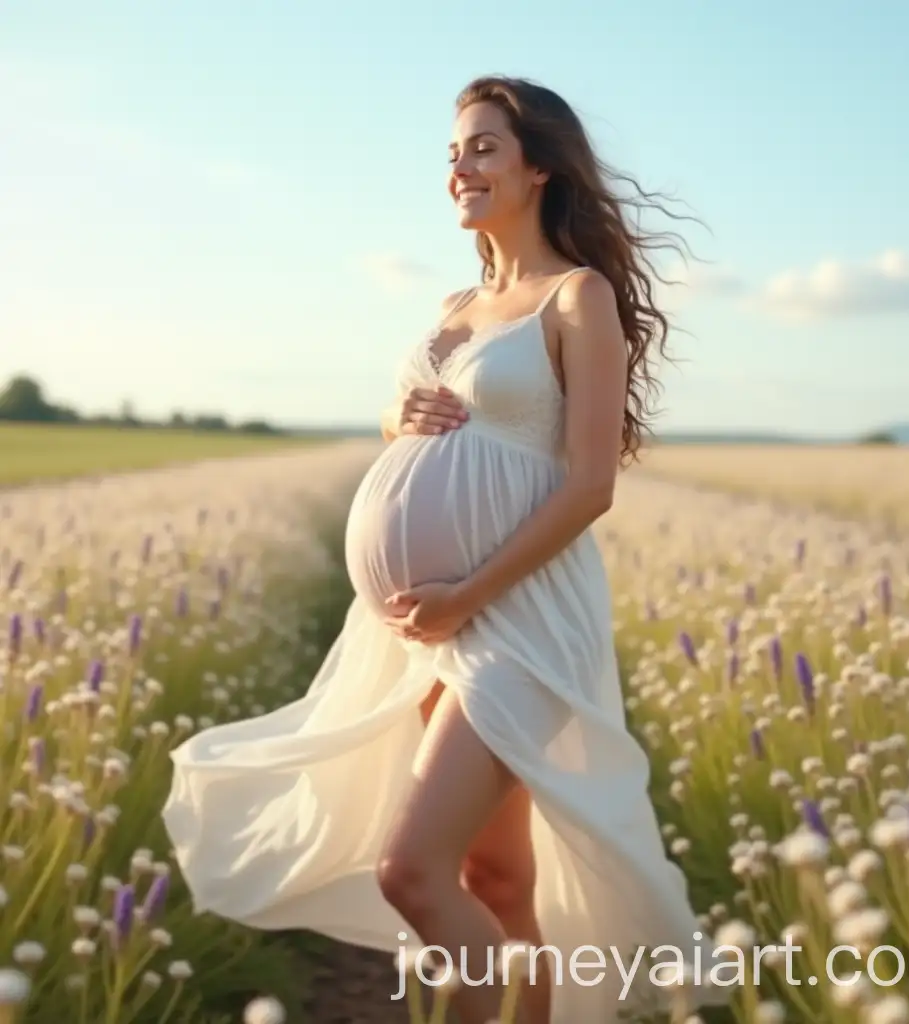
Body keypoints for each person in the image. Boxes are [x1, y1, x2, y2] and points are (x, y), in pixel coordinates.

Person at [162, 75, 732, 1024]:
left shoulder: (576, 297)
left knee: (412, 872)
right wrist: (396, 414)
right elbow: (419, 428)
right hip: (428, 628)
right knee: (496, 879)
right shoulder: (454, 304)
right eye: (454, 151)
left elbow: (591, 483)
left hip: (517, 615)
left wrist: (468, 592)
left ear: (539, 166)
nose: (460, 167)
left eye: (484, 147)